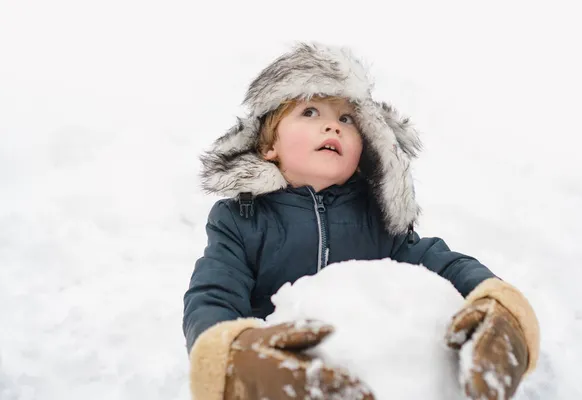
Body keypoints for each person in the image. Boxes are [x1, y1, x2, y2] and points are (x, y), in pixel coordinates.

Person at [183, 42, 540, 400]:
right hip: (284, 382)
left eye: (346, 119)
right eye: (309, 111)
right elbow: (213, 294)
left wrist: (496, 303)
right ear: (268, 145)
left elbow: (444, 263)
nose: (331, 127)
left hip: (368, 381)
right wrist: (233, 355)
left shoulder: (377, 220)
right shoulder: (241, 220)